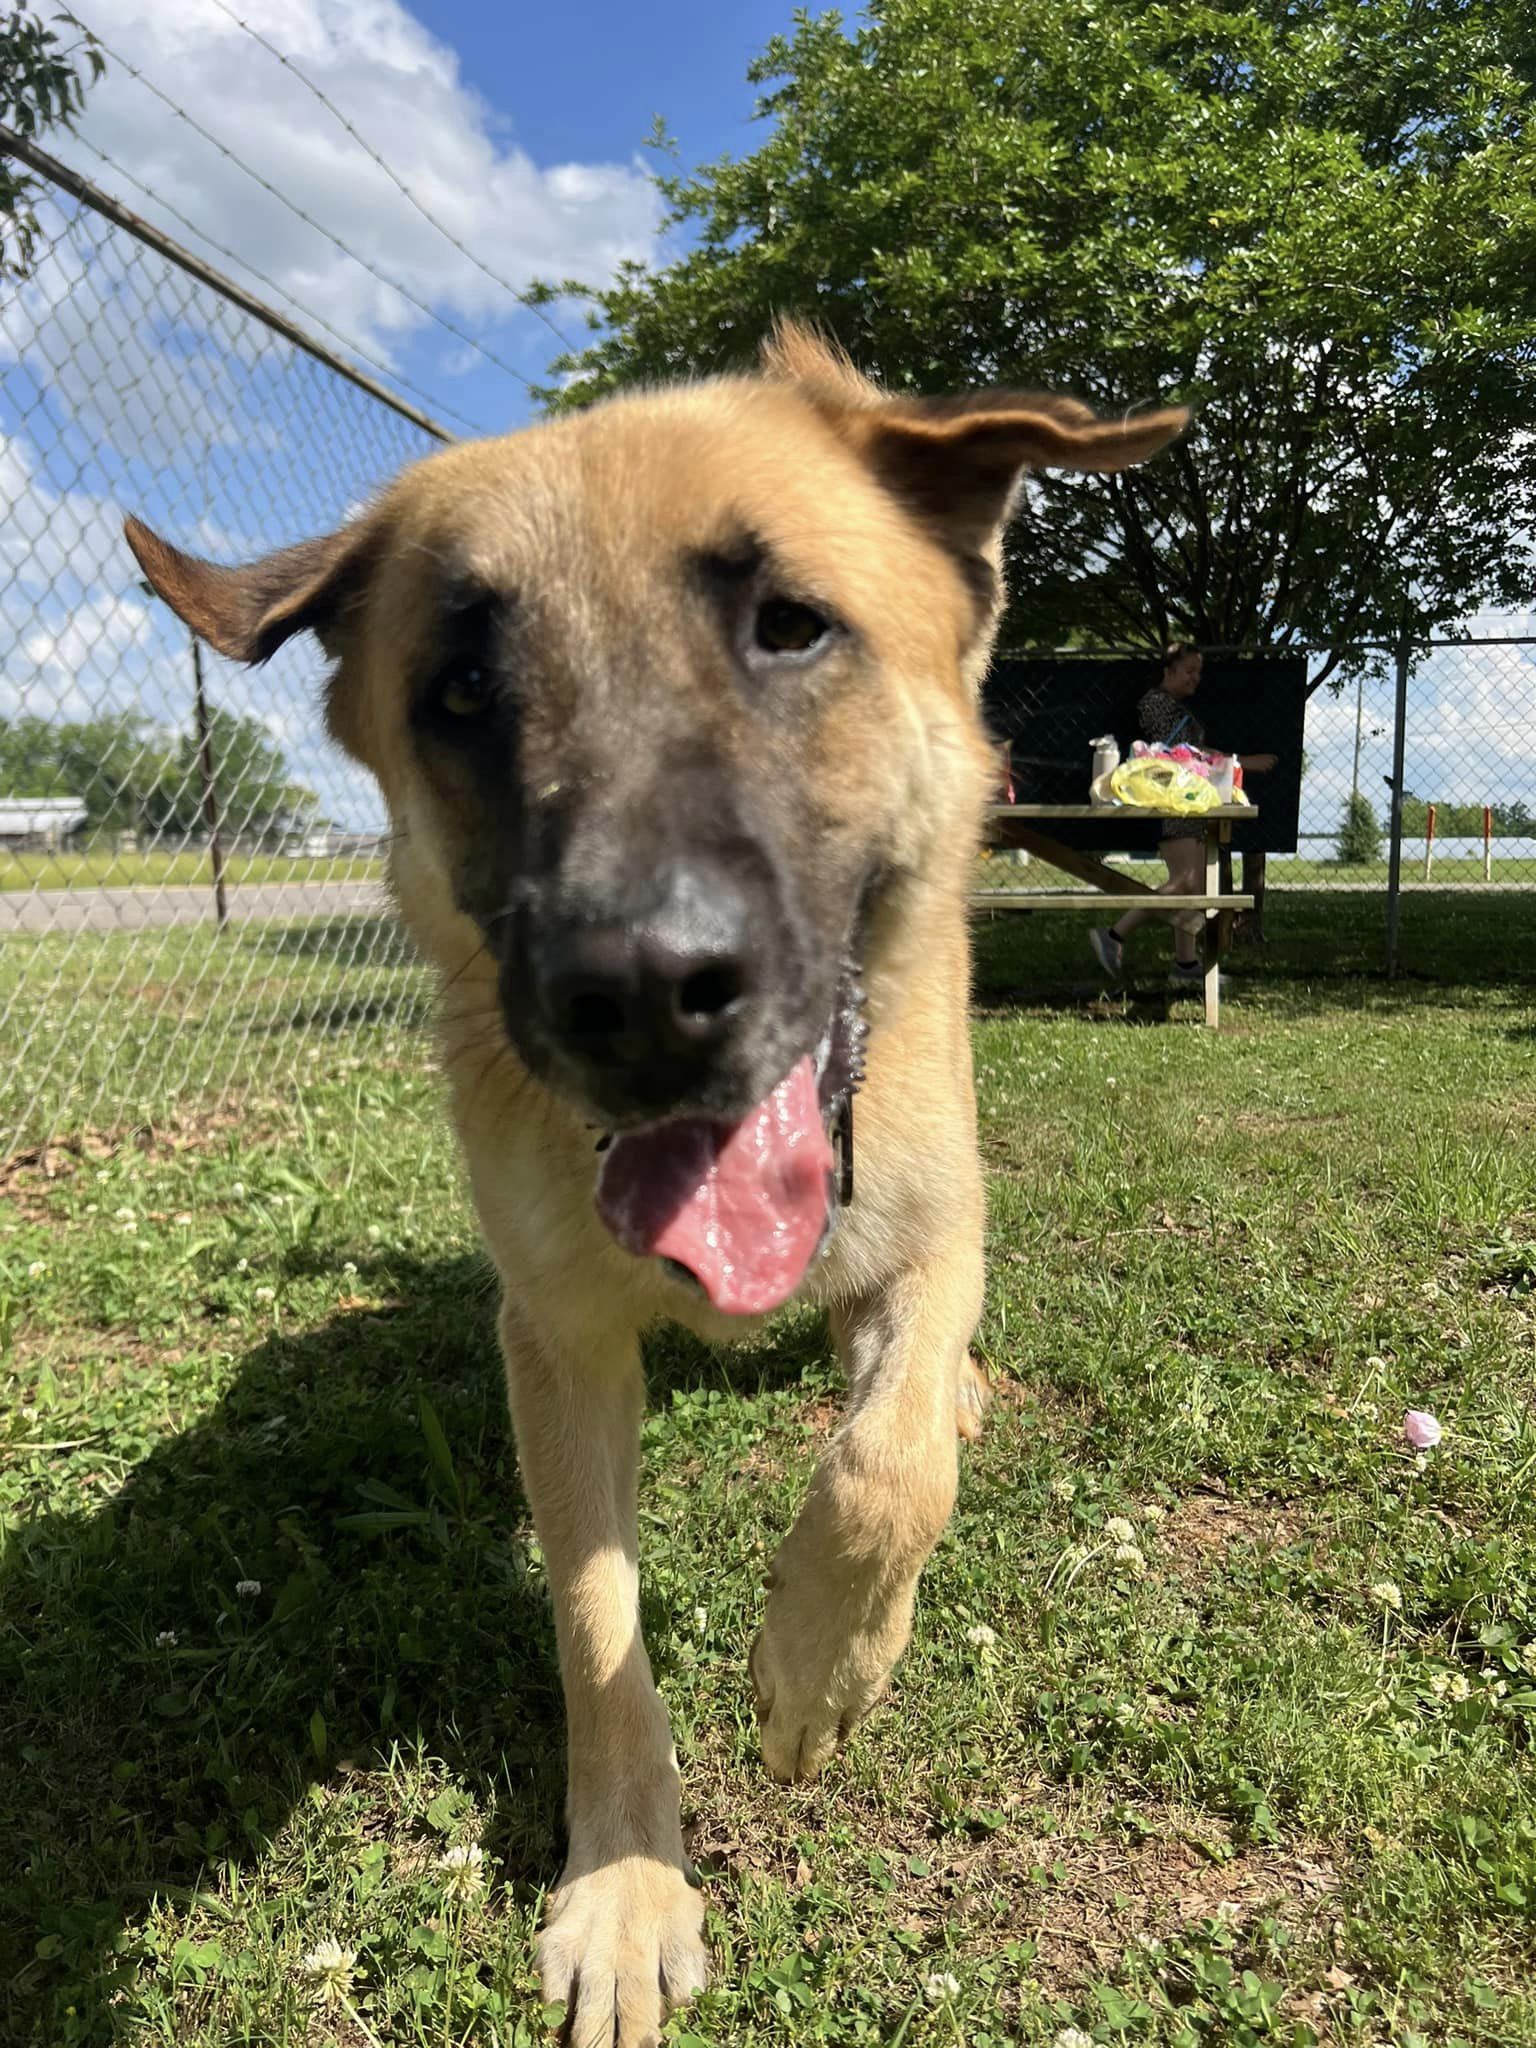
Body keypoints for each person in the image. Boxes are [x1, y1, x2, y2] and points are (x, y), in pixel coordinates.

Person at [1088, 645, 1275, 988]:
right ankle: (1114, 935)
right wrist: (1242, 762)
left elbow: (1197, 755)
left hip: (1187, 801)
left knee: (1193, 885)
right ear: (1168, 671)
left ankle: (1185, 965)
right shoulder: (1155, 705)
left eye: (1198, 671)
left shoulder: (1174, 709)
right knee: (1189, 882)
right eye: (1189, 670)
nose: (1196, 678)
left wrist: (1233, 760)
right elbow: (1180, 756)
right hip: (1173, 803)